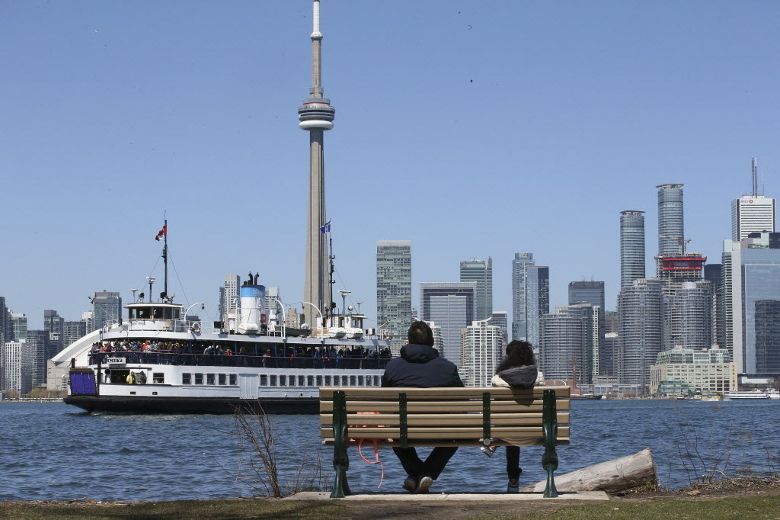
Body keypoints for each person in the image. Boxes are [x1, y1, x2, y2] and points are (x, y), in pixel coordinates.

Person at [382, 321, 464, 493]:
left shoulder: (393, 367)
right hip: (440, 428)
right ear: (432, 342)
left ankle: (416, 475)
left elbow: (385, 402)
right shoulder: (448, 368)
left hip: (403, 428)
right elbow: (462, 402)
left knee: (395, 435)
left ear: (408, 341)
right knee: (455, 437)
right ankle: (426, 473)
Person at [490, 340, 538, 493]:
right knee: (516, 427)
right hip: (536, 431)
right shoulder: (538, 377)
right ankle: (513, 479)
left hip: (507, 430)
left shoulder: (498, 379)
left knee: (510, 428)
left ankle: (495, 443)